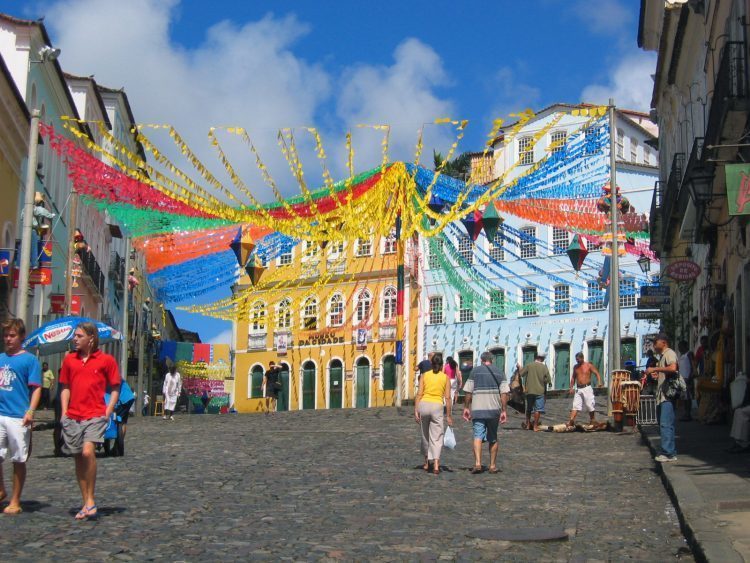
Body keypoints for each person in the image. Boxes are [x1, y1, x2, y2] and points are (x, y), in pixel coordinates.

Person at [60, 321, 121, 520]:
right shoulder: (69, 360)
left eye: (79, 336)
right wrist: (64, 411)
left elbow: (115, 387)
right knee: (78, 457)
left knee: (88, 452)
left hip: (95, 414)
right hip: (74, 415)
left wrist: (108, 409)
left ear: (91, 338)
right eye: (75, 336)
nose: (74, 339)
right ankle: (85, 501)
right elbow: (65, 386)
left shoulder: (106, 360)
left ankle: (91, 499)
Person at [0, 319, 42, 514]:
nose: (8, 339)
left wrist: (30, 411)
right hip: (0, 413)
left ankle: (15, 500)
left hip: (18, 415)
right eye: (6, 335)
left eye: (12, 335)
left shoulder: (30, 360)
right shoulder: (0, 358)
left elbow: (36, 388)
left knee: (18, 458)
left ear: (21, 337)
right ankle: (1, 489)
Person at [462, 351, 508, 474]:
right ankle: (492, 466)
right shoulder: (499, 372)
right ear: (491, 360)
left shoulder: (474, 372)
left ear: (482, 360)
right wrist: (504, 410)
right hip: (494, 410)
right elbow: (504, 394)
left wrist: (466, 407)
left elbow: (468, 392)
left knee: (477, 435)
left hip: (478, 409)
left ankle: (477, 463)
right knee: (493, 437)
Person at [414, 354, 452, 474]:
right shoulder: (445, 378)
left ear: (431, 365)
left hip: (424, 405)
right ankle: (436, 463)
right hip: (437, 406)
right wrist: (449, 415)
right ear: (442, 366)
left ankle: (426, 463)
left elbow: (419, 394)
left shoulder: (424, 376)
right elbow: (448, 398)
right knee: (436, 436)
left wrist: (416, 410)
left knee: (425, 435)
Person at [645, 333, 679, 463]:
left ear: (664, 342)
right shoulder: (662, 356)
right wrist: (657, 375)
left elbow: (673, 367)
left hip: (667, 396)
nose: (654, 344)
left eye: (656, 342)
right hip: (662, 395)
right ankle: (667, 450)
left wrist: (655, 368)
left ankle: (669, 452)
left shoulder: (669, 353)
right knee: (663, 423)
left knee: (666, 424)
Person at [567, 352, 603, 427]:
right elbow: (573, 378)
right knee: (575, 405)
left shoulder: (589, 365)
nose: (577, 361)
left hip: (587, 388)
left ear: (582, 358)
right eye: (576, 360)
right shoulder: (575, 367)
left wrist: (599, 382)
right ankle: (571, 420)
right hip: (579, 389)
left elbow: (597, 373)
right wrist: (571, 387)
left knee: (590, 405)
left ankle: (592, 420)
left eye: (578, 360)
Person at [520, 353, 551, 431]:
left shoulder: (529, 365)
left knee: (529, 409)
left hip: (529, 391)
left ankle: (527, 424)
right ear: (542, 358)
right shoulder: (544, 367)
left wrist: (519, 368)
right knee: (538, 409)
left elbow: (521, 374)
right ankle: (535, 426)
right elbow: (547, 380)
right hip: (540, 391)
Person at [677, 340, 693, 421]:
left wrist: (690, 377)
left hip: (687, 379)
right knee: (684, 397)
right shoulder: (681, 356)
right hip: (682, 379)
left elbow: (693, 366)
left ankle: (688, 414)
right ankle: (685, 413)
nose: (679, 348)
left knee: (688, 397)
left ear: (685, 346)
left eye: (680, 346)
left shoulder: (689, 354)